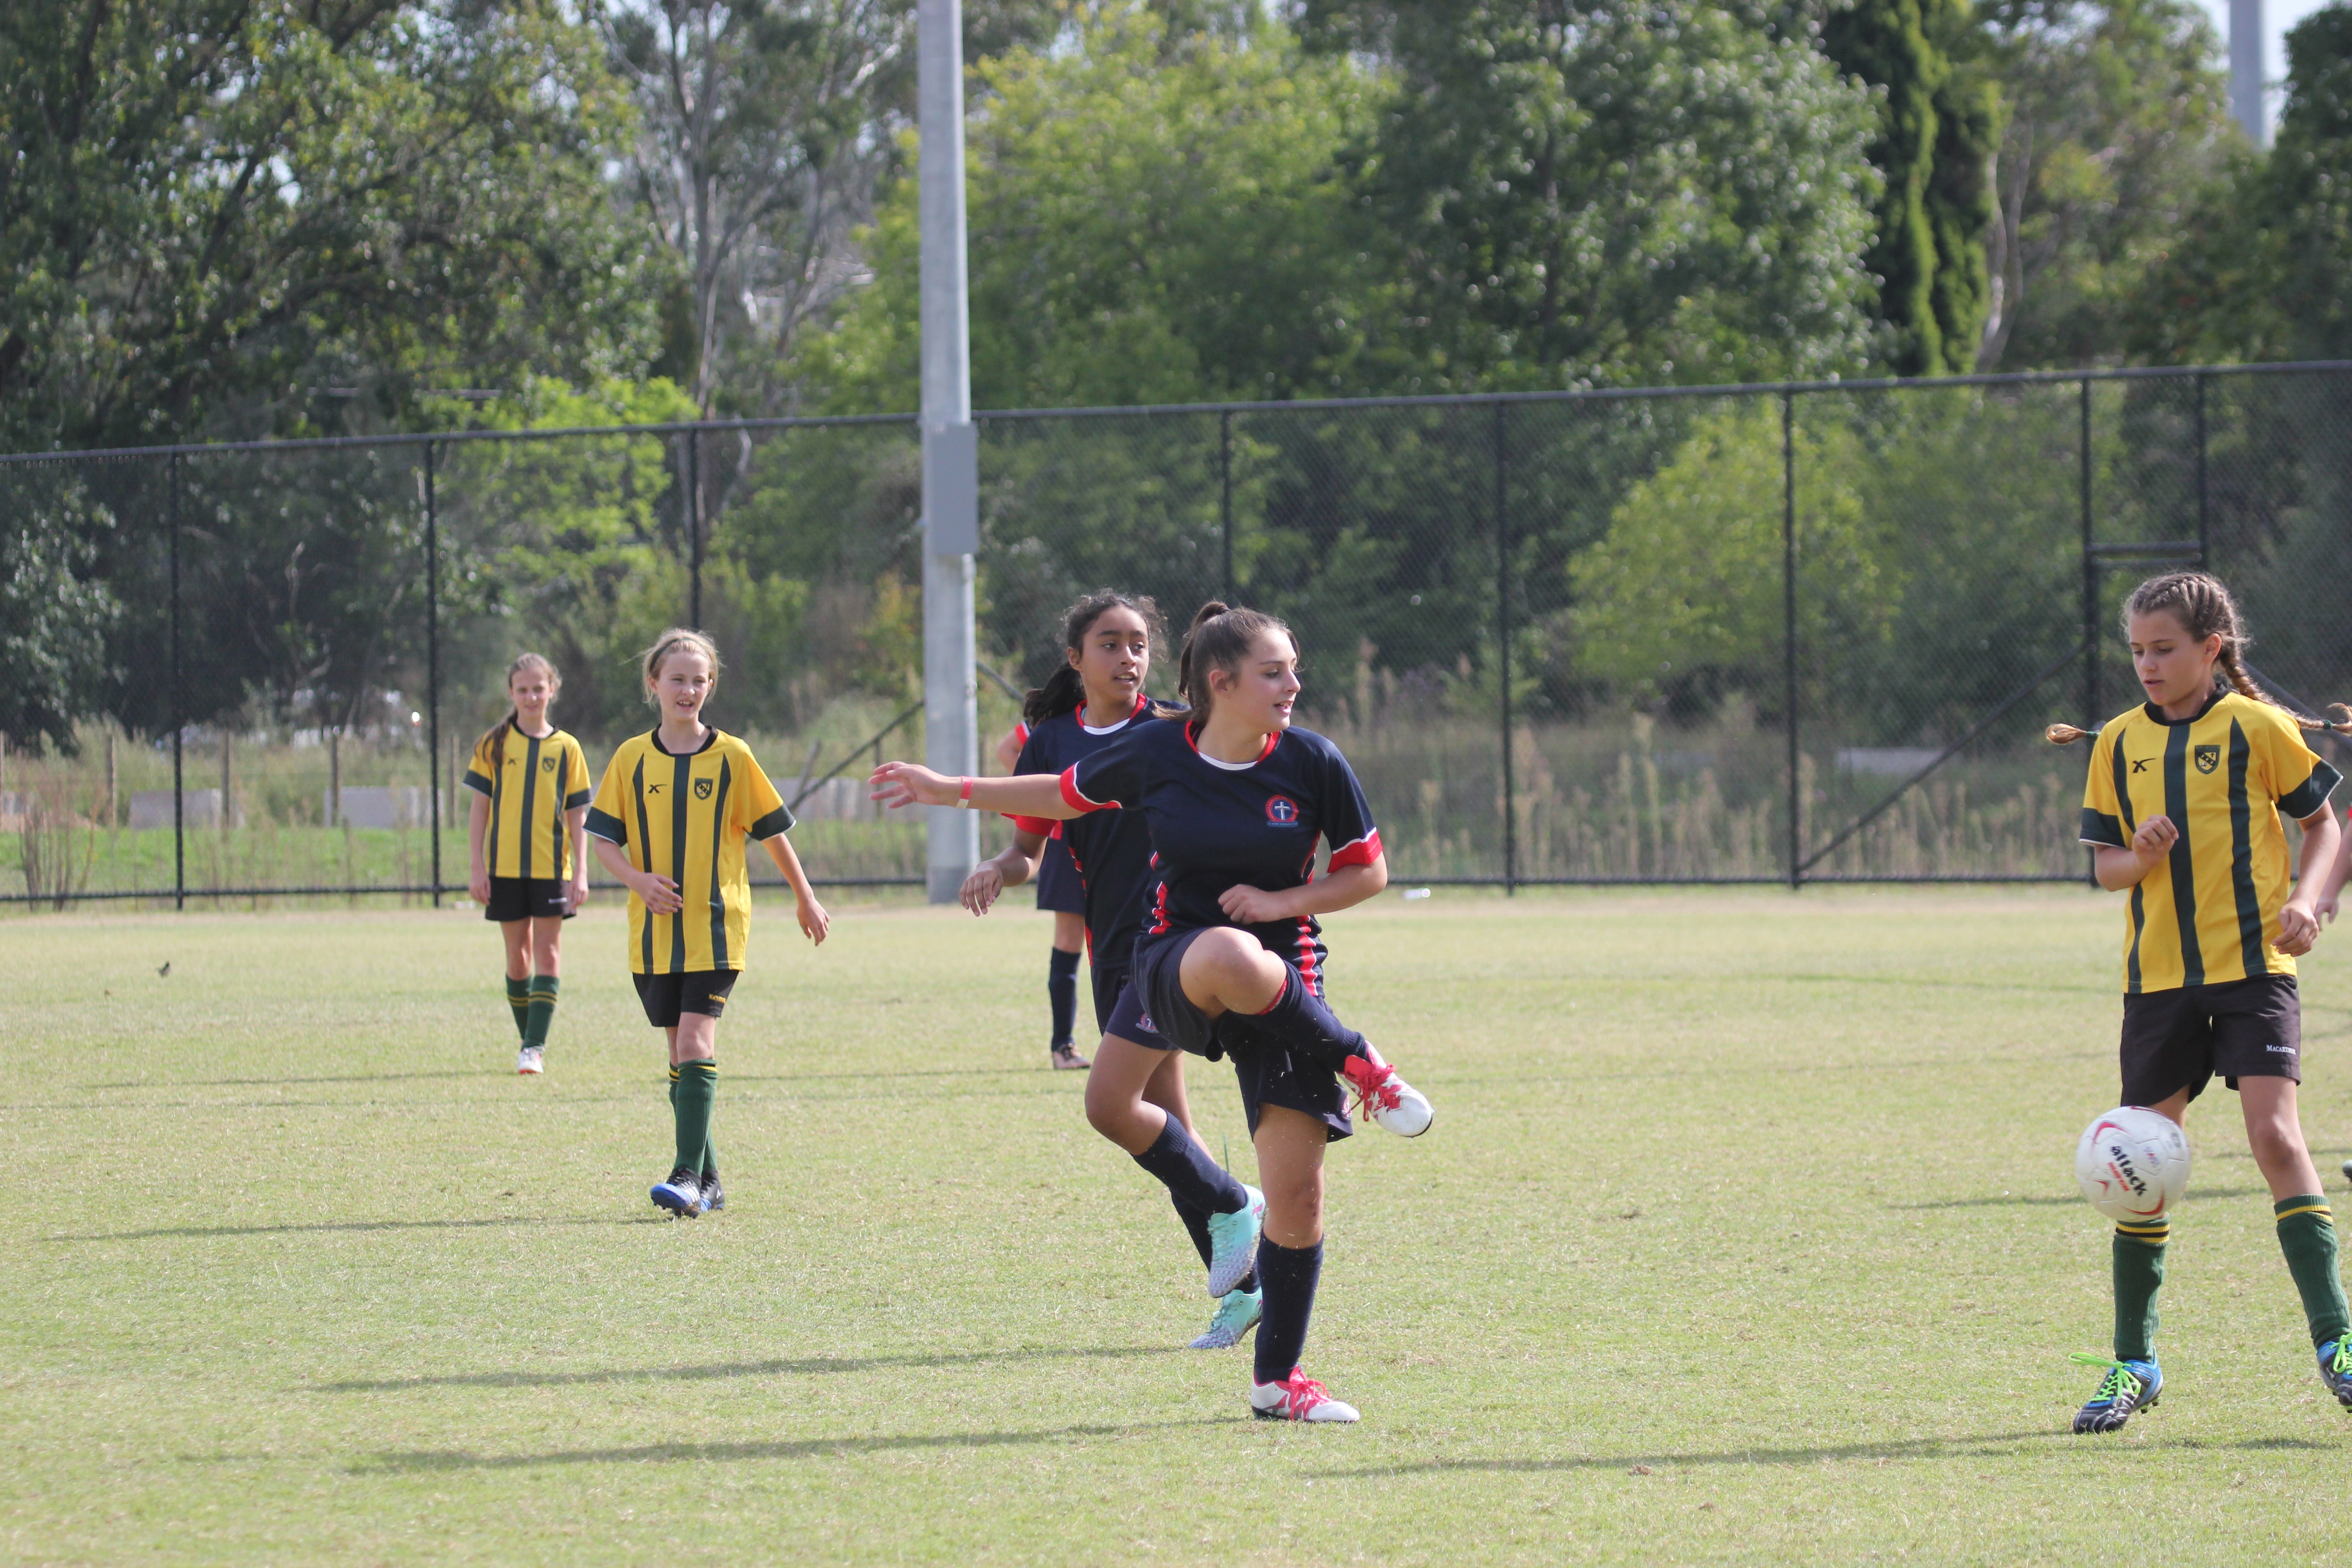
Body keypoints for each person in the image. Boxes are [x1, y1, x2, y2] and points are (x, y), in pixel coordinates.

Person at [875, 601, 1434, 1423]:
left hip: (1286, 981)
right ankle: (1361, 1061)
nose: (1292, 685)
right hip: (1173, 959)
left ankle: (1277, 1381)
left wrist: (1285, 896)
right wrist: (947, 790)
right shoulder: (1155, 750)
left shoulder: (1313, 761)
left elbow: (1366, 871)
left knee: (1299, 1198)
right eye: (1273, 671)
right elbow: (1058, 795)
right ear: (1222, 682)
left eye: (1292, 669)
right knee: (1206, 973)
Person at [2051, 570, 2348, 1432]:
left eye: (2162, 649)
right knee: (2141, 1163)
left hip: (2253, 969)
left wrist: (2308, 899)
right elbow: (2104, 869)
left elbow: (2322, 824)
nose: (2145, 664)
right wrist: (2138, 855)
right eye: (2135, 650)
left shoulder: (2256, 728)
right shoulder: (2112, 743)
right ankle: (2132, 1363)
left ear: (2209, 649)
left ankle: (2336, 1342)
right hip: (2156, 984)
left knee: (2273, 1136)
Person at [964, 591, 1259, 1350]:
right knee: (1171, 1138)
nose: (1127, 656)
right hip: (1110, 950)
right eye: (1109, 643)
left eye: (1137, 644)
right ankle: (1247, 1290)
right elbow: (1029, 848)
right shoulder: (1049, 743)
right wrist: (999, 864)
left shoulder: (1171, 731)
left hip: (1175, 945)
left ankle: (1240, 1212)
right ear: (1075, 659)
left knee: (1120, 1109)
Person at [585, 628, 831, 1217]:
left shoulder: (734, 756)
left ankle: (686, 1177)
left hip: (719, 931)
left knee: (696, 1042)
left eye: (700, 679)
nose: (689, 689)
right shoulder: (630, 758)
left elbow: (772, 833)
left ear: (711, 685)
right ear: (654, 684)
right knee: (679, 1058)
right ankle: (712, 1180)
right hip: (654, 937)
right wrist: (639, 882)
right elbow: (603, 841)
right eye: (677, 678)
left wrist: (805, 897)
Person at [463, 653, 591, 1076]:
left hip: (553, 868)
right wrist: (477, 868)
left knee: (548, 953)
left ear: (552, 689)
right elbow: (479, 809)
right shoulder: (494, 744)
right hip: (504, 869)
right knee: (518, 959)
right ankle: (528, 1041)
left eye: (539, 688)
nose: (532, 696)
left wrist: (582, 872)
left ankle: (533, 1048)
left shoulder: (567, 748)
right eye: (523, 689)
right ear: (512, 693)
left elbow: (577, 815)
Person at [991, 719, 1090, 1069]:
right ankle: (1063, 1045)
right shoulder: (1052, 720)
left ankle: (1133, 1044)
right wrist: (1044, 799)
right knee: (1068, 937)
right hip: (1064, 844)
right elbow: (1007, 748)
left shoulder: (1137, 718)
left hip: (1121, 842)